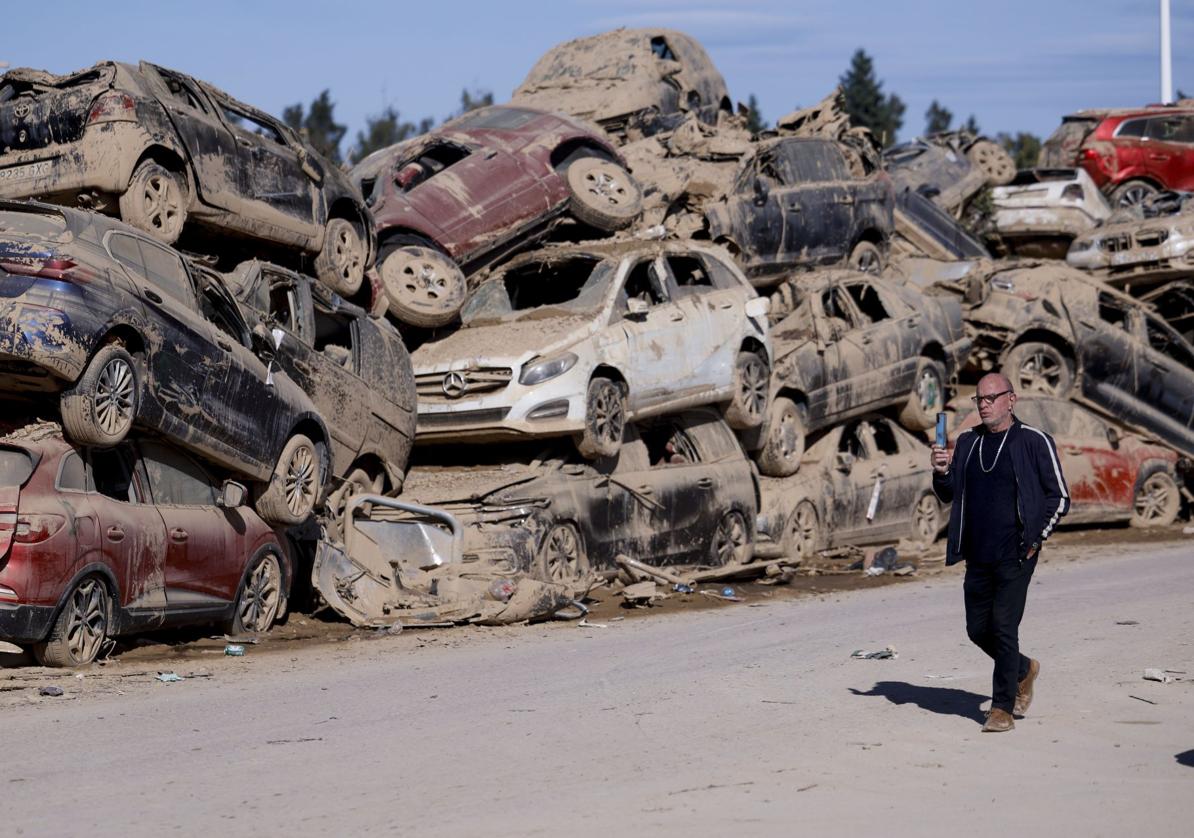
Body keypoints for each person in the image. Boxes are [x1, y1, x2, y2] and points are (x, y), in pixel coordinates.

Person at [930, 373, 1070, 732]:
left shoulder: (1033, 441)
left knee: (1004, 627)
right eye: (980, 399)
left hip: (1018, 552)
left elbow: (1060, 497)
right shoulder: (967, 443)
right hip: (978, 554)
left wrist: (1036, 537)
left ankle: (1001, 708)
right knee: (978, 630)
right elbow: (948, 494)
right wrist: (942, 471)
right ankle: (1023, 669)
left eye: (992, 397)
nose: (985, 404)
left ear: (1012, 399)